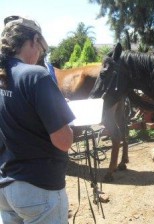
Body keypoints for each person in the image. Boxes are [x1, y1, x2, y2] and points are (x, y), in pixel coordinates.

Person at [0, 15, 75, 224]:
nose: (39, 55)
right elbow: (64, 141)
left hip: (5, 189)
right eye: (41, 49)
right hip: (39, 189)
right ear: (33, 40)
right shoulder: (36, 76)